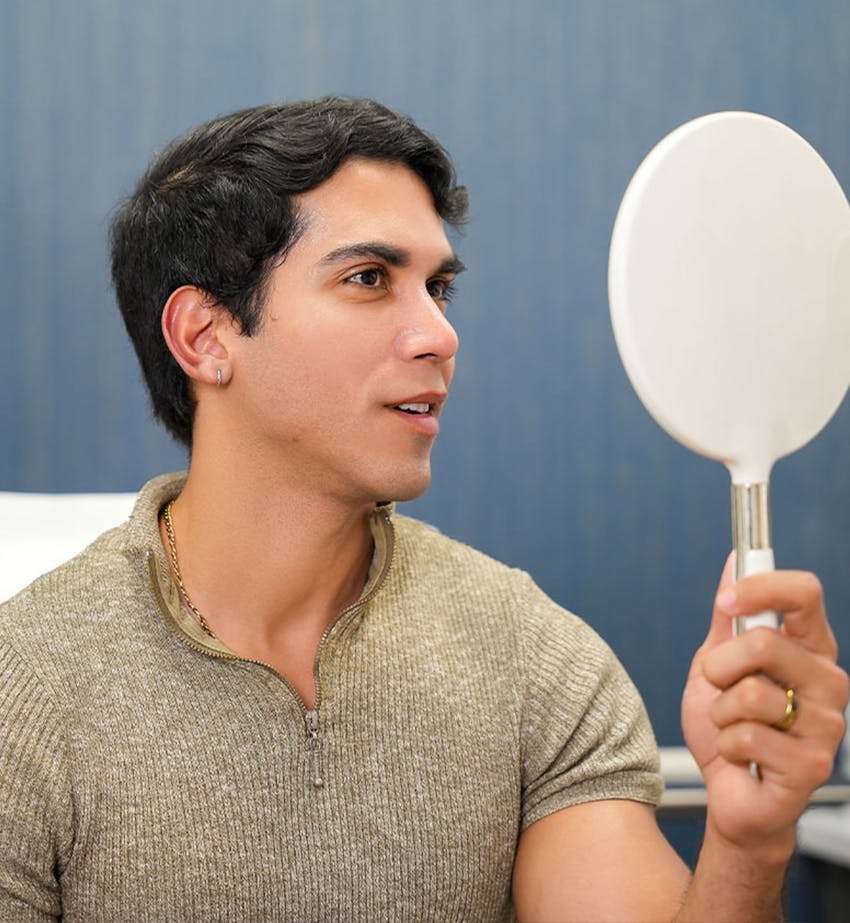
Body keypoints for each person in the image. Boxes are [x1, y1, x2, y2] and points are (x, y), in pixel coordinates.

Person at [0, 96, 846, 922]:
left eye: (438, 286)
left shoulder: (531, 658)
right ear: (204, 336)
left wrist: (748, 843)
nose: (440, 334)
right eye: (369, 279)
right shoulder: (27, 690)